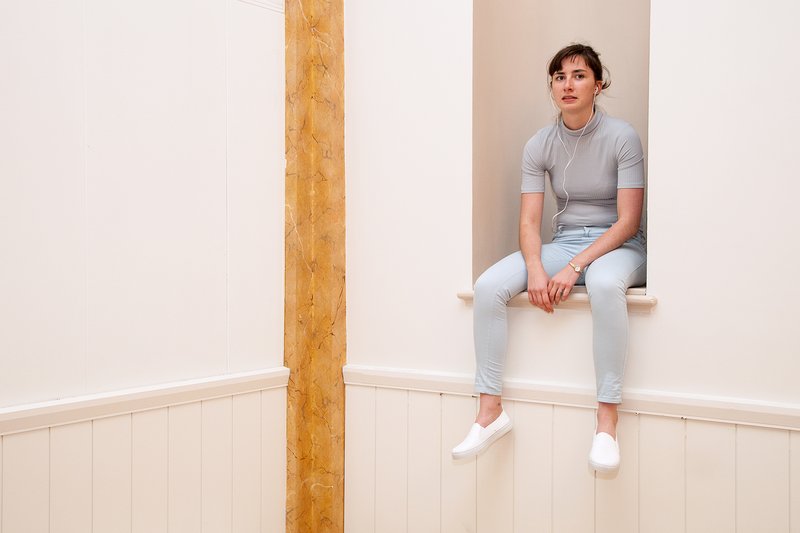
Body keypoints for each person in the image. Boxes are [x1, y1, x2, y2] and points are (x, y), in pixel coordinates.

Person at [452, 44, 647, 473]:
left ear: (598, 84)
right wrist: (537, 268)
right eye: (559, 77)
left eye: (578, 75)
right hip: (565, 240)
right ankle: (489, 413)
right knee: (488, 286)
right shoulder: (539, 143)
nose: (567, 84)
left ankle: (606, 423)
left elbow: (628, 221)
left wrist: (575, 267)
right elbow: (529, 223)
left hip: (618, 246)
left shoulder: (622, 136)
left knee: (601, 283)